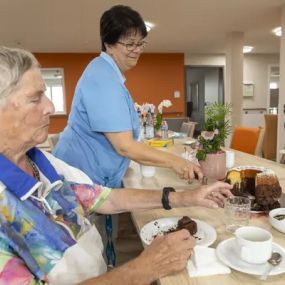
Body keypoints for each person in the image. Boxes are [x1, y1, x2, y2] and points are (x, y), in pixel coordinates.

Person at [0, 46, 233, 285]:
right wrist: (144, 268)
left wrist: (186, 198)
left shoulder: (41, 161)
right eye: (35, 98)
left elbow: (105, 199)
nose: (49, 106)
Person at [53, 5, 203, 266]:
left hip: (94, 181)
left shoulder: (110, 75)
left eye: (141, 43)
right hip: (82, 180)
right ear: (109, 44)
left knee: (95, 249)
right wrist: (176, 161)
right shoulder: (102, 77)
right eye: (129, 43)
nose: (136, 50)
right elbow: (124, 146)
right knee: (81, 259)